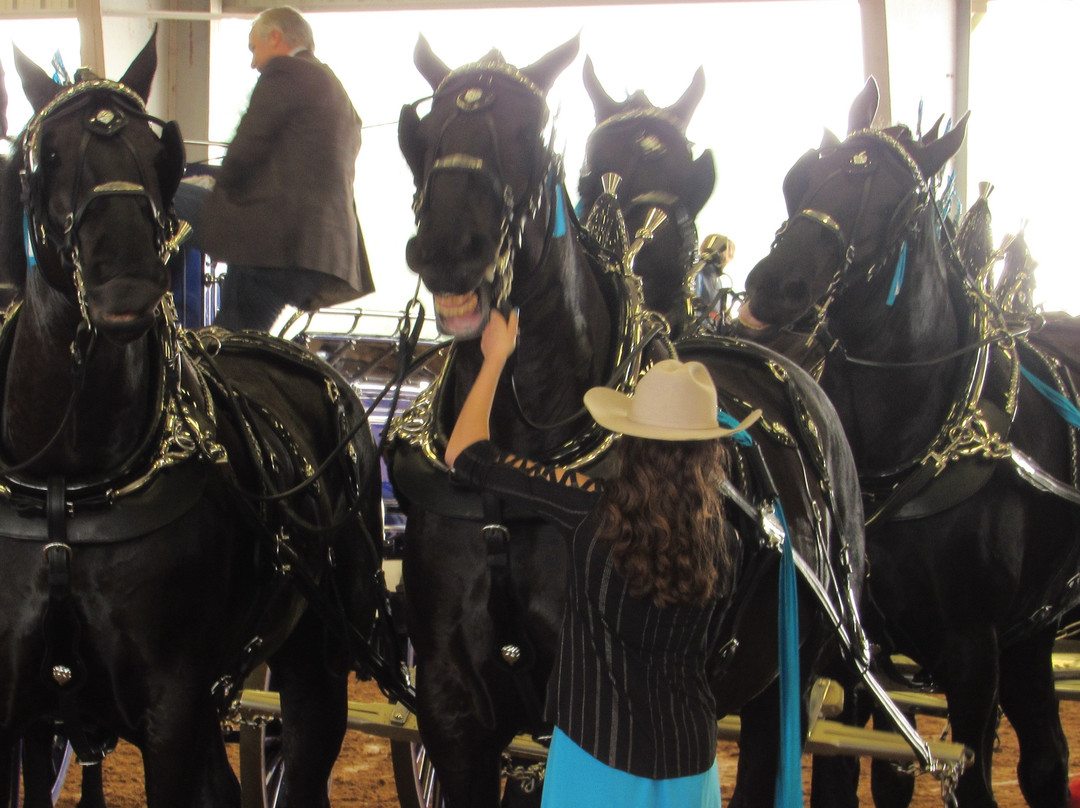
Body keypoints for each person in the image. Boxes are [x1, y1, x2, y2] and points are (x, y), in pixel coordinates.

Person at [445, 310, 761, 808]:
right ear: (707, 452)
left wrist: (496, 358)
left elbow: (465, 453)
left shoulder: (586, 507)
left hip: (597, 754)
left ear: (630, 439)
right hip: (690, 760)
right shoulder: (728, 542)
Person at [194, 6, 374, 331]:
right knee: (242, 341)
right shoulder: (335, 90)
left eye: (254, 48)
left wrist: (214, 183)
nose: (253, 62)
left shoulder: (286, 72)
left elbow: (244, 151)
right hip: (316, 253)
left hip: (272, 245)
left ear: (275, 37)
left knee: (163, 198)